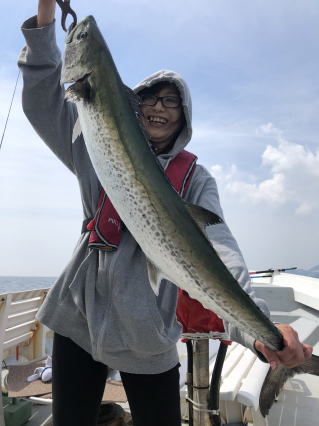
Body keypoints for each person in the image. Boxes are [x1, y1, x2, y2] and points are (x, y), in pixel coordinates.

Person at [18, 1, 312, 425]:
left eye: (171, 100)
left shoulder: (196, 179)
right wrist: (46, 21)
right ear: (131, 105)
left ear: (184, 116)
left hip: (148, 335)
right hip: (77, 318)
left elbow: (221, 251)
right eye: (149, 97)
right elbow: (43, 98)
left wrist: (260, 330)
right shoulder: (96, 139)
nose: (158, 105)